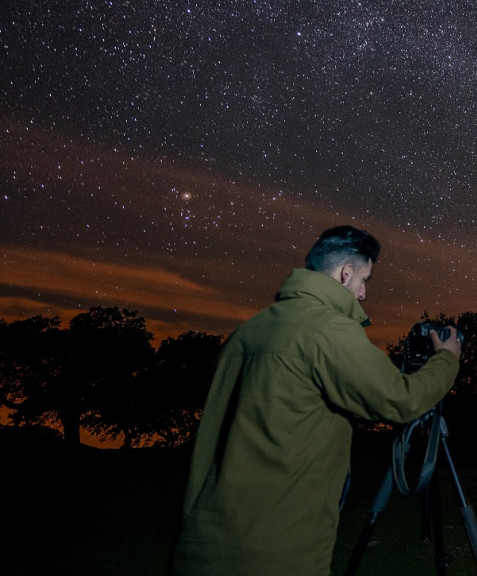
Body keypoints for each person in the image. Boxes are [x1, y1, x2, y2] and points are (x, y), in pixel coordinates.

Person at [171, 226, 461, 576]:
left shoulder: (247, 332)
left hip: (205, 540)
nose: (364, 293)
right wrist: (446, 359)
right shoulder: (326, 329)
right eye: (364, 279)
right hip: (274, 547)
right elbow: (401, 400)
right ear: (345, 273)